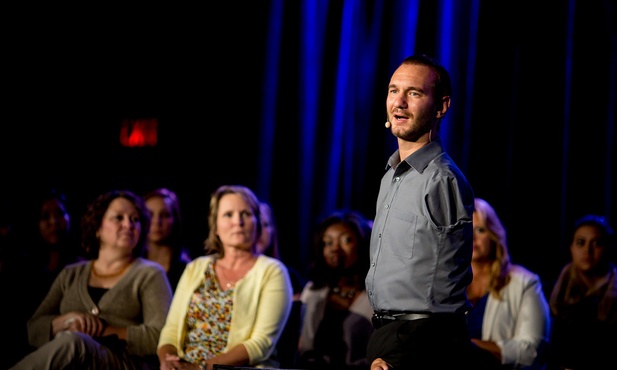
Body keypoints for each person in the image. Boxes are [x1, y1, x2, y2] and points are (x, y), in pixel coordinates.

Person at [365, 53, 476, 370]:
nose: (398, 103)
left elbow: (448, 286)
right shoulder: (392, 174)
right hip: (388, 333)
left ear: (441, 107)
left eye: (413, 93)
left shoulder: (441, 179)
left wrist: (408, 350)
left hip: (422, 340)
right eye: (392, 90)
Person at [10, 189, 173, 369]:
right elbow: (33, 328)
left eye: (135, 219)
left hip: (120, 363)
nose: (129, 224)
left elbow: (161, 335)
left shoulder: (150, 273)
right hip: (69, 360)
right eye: (119, 218)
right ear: (98, 227)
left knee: (75, 343)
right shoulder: (72, 273)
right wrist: (67, 320)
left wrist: (99, 331)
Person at [157, 184, 293, 370]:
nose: (238, 222)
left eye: (245, 214)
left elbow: (261, 344)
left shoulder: (272, 271)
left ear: (257, 223)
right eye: (228, 215)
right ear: (216, 227)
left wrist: (201, 368)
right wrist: (168, 361)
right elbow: (171, 331)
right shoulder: (195, 267)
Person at [467, 198, 550, 369]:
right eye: (466, 229)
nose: (472, 237)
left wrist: (471, 346)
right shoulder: (446, 282)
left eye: (480, 230)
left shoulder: (525, 282)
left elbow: (533, 350)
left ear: (493, 234)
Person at [297, 210, 374, 370]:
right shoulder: (313, 290)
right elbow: (303, 346)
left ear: (362, 243)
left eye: (346, 240)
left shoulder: (375, 296)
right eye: (328, 243)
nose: (335, 249)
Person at [547, 214, 617, 370]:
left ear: (609, 247)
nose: (587, 250)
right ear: (571, 247)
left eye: (597, 243)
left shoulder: (613, 292)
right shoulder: (554, 291)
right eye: (580, 243)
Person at [256, 200, 306, 368]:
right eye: (256, 223)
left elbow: (291, 338)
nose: (259, 231)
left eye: (265, 224)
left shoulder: (289, 278)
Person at [143, 187, 192, 292]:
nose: (157, 221)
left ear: (175, 219)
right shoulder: (131, 263)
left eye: (165, 215)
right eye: (150, 215)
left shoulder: (188, 268)